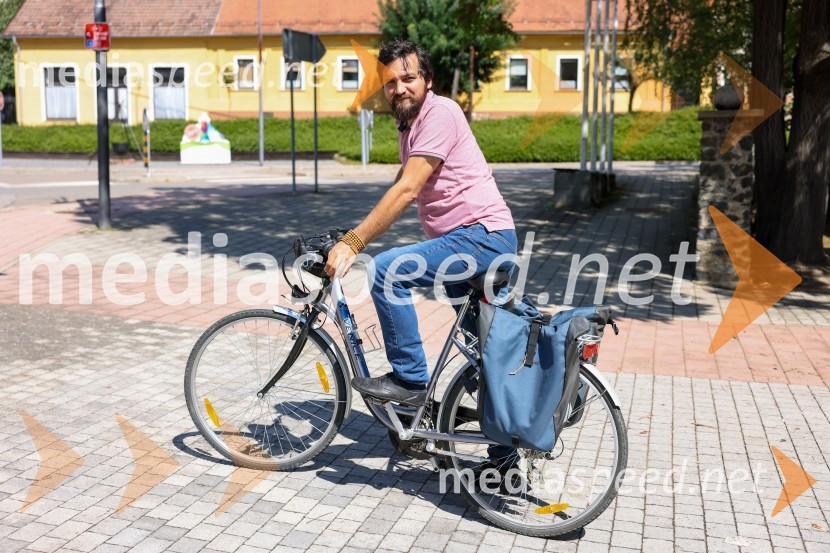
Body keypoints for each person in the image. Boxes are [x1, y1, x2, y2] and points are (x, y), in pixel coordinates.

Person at [324, 39, 516, 407]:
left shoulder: (440, 113)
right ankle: (500, 456)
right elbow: (399, 187)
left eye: (408, 78)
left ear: (428, 79)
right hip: (472, 241)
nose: (399, 88)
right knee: (486, 357)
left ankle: (410, 381)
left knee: (387, 270)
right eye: (390, 82)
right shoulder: (408, 127)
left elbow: (408, 190)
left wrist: (353, 241)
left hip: (481, 236)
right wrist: (349, 229)